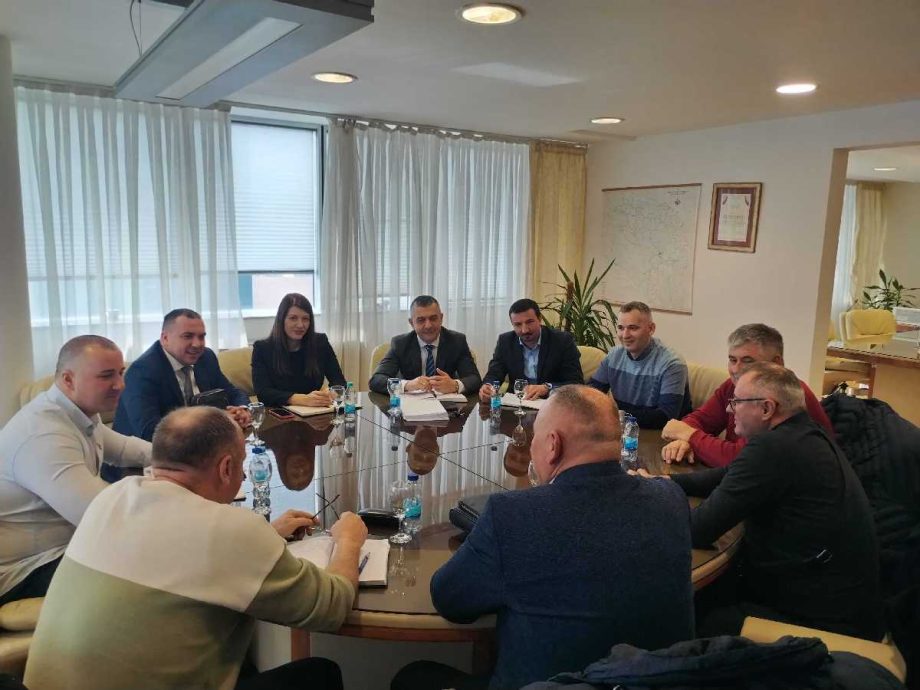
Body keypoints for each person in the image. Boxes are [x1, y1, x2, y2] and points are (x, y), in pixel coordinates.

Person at [24, 406, 368, 690]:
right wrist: (348, 540)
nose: (243, 478)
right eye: (241, 465)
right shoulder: (231, 530)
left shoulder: (111, 498)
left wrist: (267, 534)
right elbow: (331, 607)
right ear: (226, 467)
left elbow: (172, 546)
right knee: (318, 674)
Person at [392, 386, 694, 690]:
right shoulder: (670, 498)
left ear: (553, 445)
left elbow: (448, 598)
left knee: (413, 678)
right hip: (658, 681)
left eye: (533, 437)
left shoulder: (511, 515)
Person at [638, 362, 884, 641]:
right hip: (840, 601)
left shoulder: (773, 448)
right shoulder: (803, 434)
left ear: (767, 408)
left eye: (737, 402)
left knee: (685, 616)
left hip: (820, 622)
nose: (729, 410)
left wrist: (651, 499)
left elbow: (698, 529)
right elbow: (728, 473)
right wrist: (664, 482)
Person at [0, 336, 150, 606]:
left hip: (65, 547)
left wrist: (190, 455)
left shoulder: (76, 412)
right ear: (68, 380)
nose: (120, 384)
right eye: (106, 376)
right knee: (154, 558)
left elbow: (126, 449)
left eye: (120, 373)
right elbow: (103, 516)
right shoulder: (43, 434)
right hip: (27, 569)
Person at [660, 323, 833, 467]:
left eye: (748, 361)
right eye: (732, 360)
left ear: (776, 363)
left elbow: (745, 459)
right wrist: (684, 442)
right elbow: (697, 421)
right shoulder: (733, 385)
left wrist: (690, 437)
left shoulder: (790, 396)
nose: (736, 369)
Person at [114, 308, 251, 442]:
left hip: (201, 445)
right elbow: (151, 432)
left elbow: (233, 392)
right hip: (145, 453)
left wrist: (242, 410)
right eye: (187, 336)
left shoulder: (205, 357)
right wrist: (217, 421)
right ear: (165, 338)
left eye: (201, 337)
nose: (197, 344)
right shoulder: (141, 372)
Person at [588, 301, 690, 428]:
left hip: (663, 434)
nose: (625, 335)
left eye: (633, 328)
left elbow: (665, 417)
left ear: (651, 329)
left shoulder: (672, 364)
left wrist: (614, 416)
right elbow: (591, 394)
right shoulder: (614, 356)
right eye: (620, 328)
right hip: (626, 428)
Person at [369, 295, 481, 395]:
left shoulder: (457, 341)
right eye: (421, 320)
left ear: (441, 318)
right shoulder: (400, 344)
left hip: (447, 406)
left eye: (433, 318)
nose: (428, 325)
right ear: (412, 323)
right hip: (411, 406)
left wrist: (455, 385)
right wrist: (407, 385)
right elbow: (376, 380)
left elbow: (474, 379)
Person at [478, 298, 583, 402]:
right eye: (518, 324)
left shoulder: (562, 341)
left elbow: (576, 382)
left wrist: (547, 387)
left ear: (539, 319)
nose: (524, 330)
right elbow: (494, 373)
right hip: (517, 403)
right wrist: (488, 387)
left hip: (552, 403)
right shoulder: (505, 341)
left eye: (529, 322)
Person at [252, 293, 346, 408]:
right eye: (293, 318)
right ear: (281, 320)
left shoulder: (320, 342)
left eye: (305, 319)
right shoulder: (262, 348)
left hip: (315, 412)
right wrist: (301, 399)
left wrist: (331, 393)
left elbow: (339, 381)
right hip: (279, 413)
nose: (300, 325)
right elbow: (263, 393)